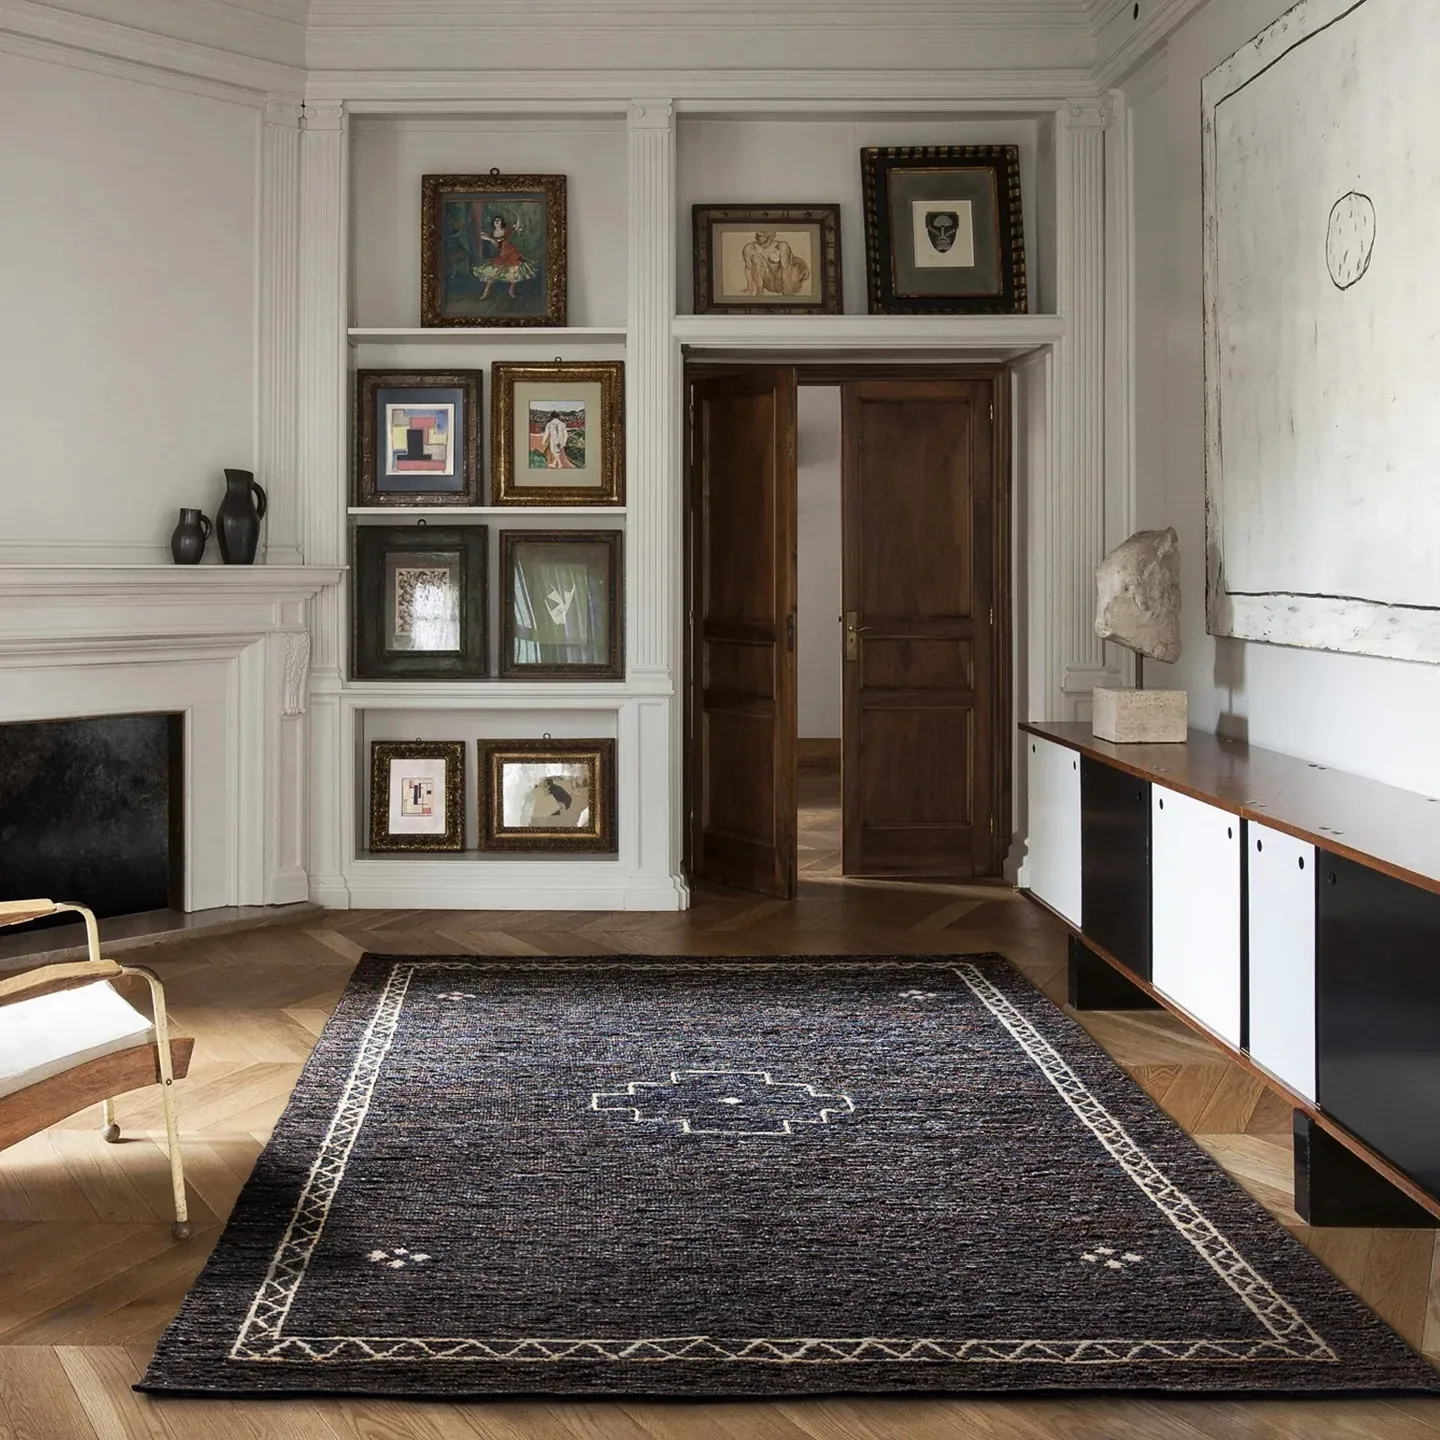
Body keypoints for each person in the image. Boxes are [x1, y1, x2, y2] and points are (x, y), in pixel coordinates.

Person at [472, 211, 536, 299]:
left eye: (498, 220)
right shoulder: (493, 233)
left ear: (502, 222)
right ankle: (486, 290)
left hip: (512, 252)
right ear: (493, 223)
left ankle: (511, 290)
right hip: (503, 253)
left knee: (515, 270)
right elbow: (497, 245)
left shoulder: (506, 230)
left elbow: (516, 228)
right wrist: (489, 238)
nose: (497, 222)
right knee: (494, 270)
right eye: (495, 221)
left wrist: (517, 227)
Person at [741, 230, 810, 297]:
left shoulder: (781, 246)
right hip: (769, 282)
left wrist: (787, 292)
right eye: (758, 234)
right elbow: (748, 268)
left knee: (794, 268)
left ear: (772, 236)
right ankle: (759, 292)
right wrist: (750, 288)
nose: (759, 237)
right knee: (757, 258)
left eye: (763, 235)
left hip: (787, 282)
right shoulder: (750, 248)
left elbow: (786, 269)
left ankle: (787, 291)